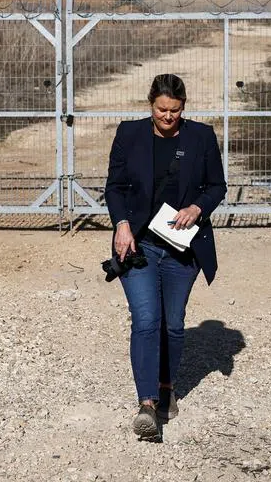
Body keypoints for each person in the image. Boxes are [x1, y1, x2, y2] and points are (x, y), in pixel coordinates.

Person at [104, 73, 227, 440]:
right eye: (161, 110)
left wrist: (197, 207)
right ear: (150, 105)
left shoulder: (201, 137)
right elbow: (115, 186)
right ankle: (146, 406)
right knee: (145, 319)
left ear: (183, 107)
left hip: (182, 248)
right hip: (138, 245)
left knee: (172, 323)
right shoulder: (129, 134)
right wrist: (121, 224)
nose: (168, 117)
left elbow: (217, 185)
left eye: (174, 110)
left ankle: (166, 387)